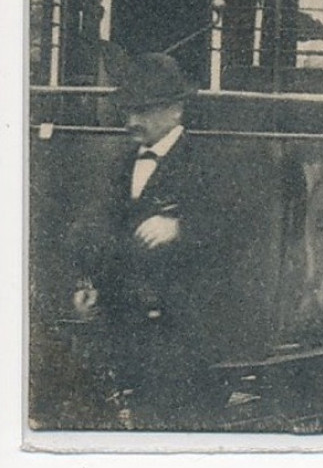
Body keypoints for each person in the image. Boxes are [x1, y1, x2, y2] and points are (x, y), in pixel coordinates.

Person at [67, 53, 229, 429]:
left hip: (184, 332)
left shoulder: (208, 159)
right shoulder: (122, 163)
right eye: (127, 111)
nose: (131, 122)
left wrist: (181, 228)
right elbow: (96, 227)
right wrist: (87, 283)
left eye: (142, 111)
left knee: (179, 423)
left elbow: (236, 226)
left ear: (176, 111)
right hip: (127, 322)